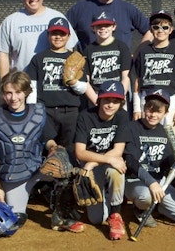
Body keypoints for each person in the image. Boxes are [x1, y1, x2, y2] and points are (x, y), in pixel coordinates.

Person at [0, 71, 84, 233]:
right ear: (3, 94)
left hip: (37, 169)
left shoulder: (37, 113)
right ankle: (43, 192)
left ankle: (61, 216)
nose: (13, 97)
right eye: (8, 93)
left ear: (26, 92)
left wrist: (53, 148)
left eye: (18, 92)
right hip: (13, 176)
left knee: (68, 173)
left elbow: (47, 139)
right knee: (14, 222)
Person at [123, 90, 175, 228]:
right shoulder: (131, 127)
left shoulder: (166, 131)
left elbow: (167, 165)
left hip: (159, 183)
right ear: (144, 108)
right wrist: (151, 183)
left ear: (166, 113)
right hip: (136, 180)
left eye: (158, 111)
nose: (153, 115)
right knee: (146, 196)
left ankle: (159, 207)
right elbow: (131, 161)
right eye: (150, 110)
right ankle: (141, 209)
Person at [73, 80, 131, 240]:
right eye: (106, 100)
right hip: (92, 163)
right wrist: (95, 162)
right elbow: (79, 152)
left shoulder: (122, 116)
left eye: (115, 101)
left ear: (121, 103)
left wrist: (93, 163)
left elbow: (118, 150)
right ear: (99, 99)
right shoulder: (86, 116)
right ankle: (104, 193)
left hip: (104, 161)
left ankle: (116, 215)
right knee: (96, 219)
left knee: (117, 169)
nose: (110, 105)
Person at [25, 17, 87, 156]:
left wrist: (73, 81)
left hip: (70, 111)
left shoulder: (75, 57)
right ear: (48, 35)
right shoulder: (38, 58)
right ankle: (46, 177)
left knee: (69, 148)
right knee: (47, 147)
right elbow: (32, 87)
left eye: (62, 33)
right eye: (54, 33)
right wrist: (32, 110)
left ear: (68, 36)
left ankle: (69, 176)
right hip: (46, 110)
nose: (58, 37)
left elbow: (83, 89)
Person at [0, 0, 78, 79]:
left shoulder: (57, 17)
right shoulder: (11, 21)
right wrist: (5, 84)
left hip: (53, 82)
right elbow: (3, 54)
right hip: (22, 84)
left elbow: (69, 49)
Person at [132, 10, 175, 144]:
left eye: (165, 27)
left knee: (172, 138)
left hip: (171, 99)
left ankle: (174, 165)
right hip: (147, 98)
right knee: (146, 136)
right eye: (156, 26)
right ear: (151, 30)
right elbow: (137, 81)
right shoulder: (143, 51)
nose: (160, 30)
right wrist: (136, 108)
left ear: (171, 30)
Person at [81, 10, 131, 106]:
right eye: (99, 26)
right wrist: (96, 101)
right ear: (93, 28)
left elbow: (126, 77)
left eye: (107, 25)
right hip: (97, 95)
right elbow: (86, 80)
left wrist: (120, 98)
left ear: (114, 27)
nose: (103, 28)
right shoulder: (88, 49)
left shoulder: (121, 47)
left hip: (117, 95)